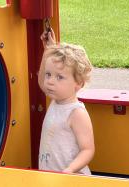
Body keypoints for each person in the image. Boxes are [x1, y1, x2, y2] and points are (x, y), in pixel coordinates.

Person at [38, 29, 95, 175]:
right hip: (52, 177)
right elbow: (41, 82)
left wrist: (70, 170)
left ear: (78, 83)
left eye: (59, 77)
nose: (50, 81)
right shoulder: (56, 100)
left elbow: (88, 149)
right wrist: (48, 50)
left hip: (71, 179)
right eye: (48, 75)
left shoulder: (76, 113)